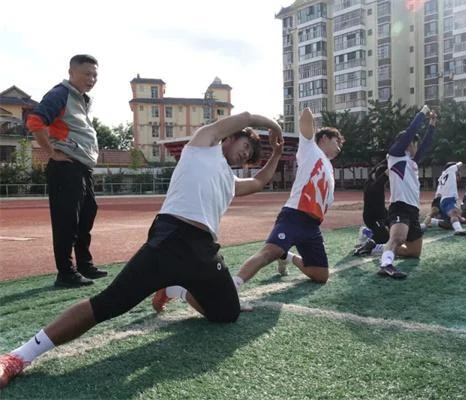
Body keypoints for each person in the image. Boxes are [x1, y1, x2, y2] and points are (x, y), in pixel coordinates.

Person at [0, 112, 284, 388]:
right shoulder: (202, 145)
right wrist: (274, 127)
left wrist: (276, 153)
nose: (245, 155)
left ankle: (175, 289)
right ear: (230, 137)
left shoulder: (229, 181)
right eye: (245, 146)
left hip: (205, 250)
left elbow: (259, 182)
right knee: (109, 303)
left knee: (228, 313)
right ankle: (18, 356)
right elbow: (246, 117)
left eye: (250, 155)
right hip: (172, 238)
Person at [232, 107, 344, 295]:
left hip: (312, 225)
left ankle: (287, 256)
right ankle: (233, 285)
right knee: (269, 252)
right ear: (324, 138)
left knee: (321, 275)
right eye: (336, 142)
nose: (339, 148)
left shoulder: (328, 167)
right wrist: (311, 118)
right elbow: (306, 115)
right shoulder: (310, 149)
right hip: (295, 215)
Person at [26, 54, 105, 288]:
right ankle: (66, 272)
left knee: (87, 214)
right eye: (87, 74)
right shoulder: (60, 94)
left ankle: (84, 265)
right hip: (66, 166)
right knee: (66, 219)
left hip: (82, 166)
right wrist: (51, 152)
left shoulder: (82, 99)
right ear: (71, 73)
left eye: (95, 75)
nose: (92, 79)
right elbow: (35, 121)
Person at [376, 105, 437, 279]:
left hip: (413, 209)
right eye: (414, 143)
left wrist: (432, 124)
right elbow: (410, 132)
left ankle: (379, 247)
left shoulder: (412, 161)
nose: (417, 146)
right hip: (400, 206)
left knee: (414, 252)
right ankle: (386, 264)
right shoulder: (395, 155)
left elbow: (426, 145)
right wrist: (423, 113)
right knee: (398, 238)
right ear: (409, 143)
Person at [353, 160, 389, 256]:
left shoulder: (371, 180)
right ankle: (367, 236)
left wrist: (388, 159)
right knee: (384, 238)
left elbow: (377, 168)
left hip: (382, 214)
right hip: (373, 219)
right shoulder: (374, 186)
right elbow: (382, 177)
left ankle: (369, 232)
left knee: (396, 228)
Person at [426, 162, 466, 236]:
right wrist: (460, 163)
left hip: (444, 200)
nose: (460, 173)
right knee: (454, 214)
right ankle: (458, 230)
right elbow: (460, 164)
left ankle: (433, 221)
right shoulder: (450, 170)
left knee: (450, 224)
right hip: (448, 199)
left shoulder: (443, 176)